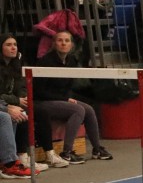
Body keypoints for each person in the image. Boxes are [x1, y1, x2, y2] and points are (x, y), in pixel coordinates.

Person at [32, 31, 113, 162]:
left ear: (71, 45)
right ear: (54, 44)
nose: (63, 43)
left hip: (60, 100)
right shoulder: (45, 61)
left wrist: (65, 99)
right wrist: (65, 99)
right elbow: (38, 91)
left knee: (89, 109)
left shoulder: (72, 61)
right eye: (60, 40)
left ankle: (97, 148)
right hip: (42, 101)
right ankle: (67, 152)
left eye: (67, 41)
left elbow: (67, 87)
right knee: (77, 110)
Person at [0, 35, 59, 168]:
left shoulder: (16, 65)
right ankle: (21, 157)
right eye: (8, 45)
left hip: (15, 101)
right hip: (6, 102)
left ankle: (49, 153)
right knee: (21, 115)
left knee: (41, 112)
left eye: (15, 44)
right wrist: (16, 100)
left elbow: (21, 85)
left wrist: (23, 97)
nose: (13, 48)